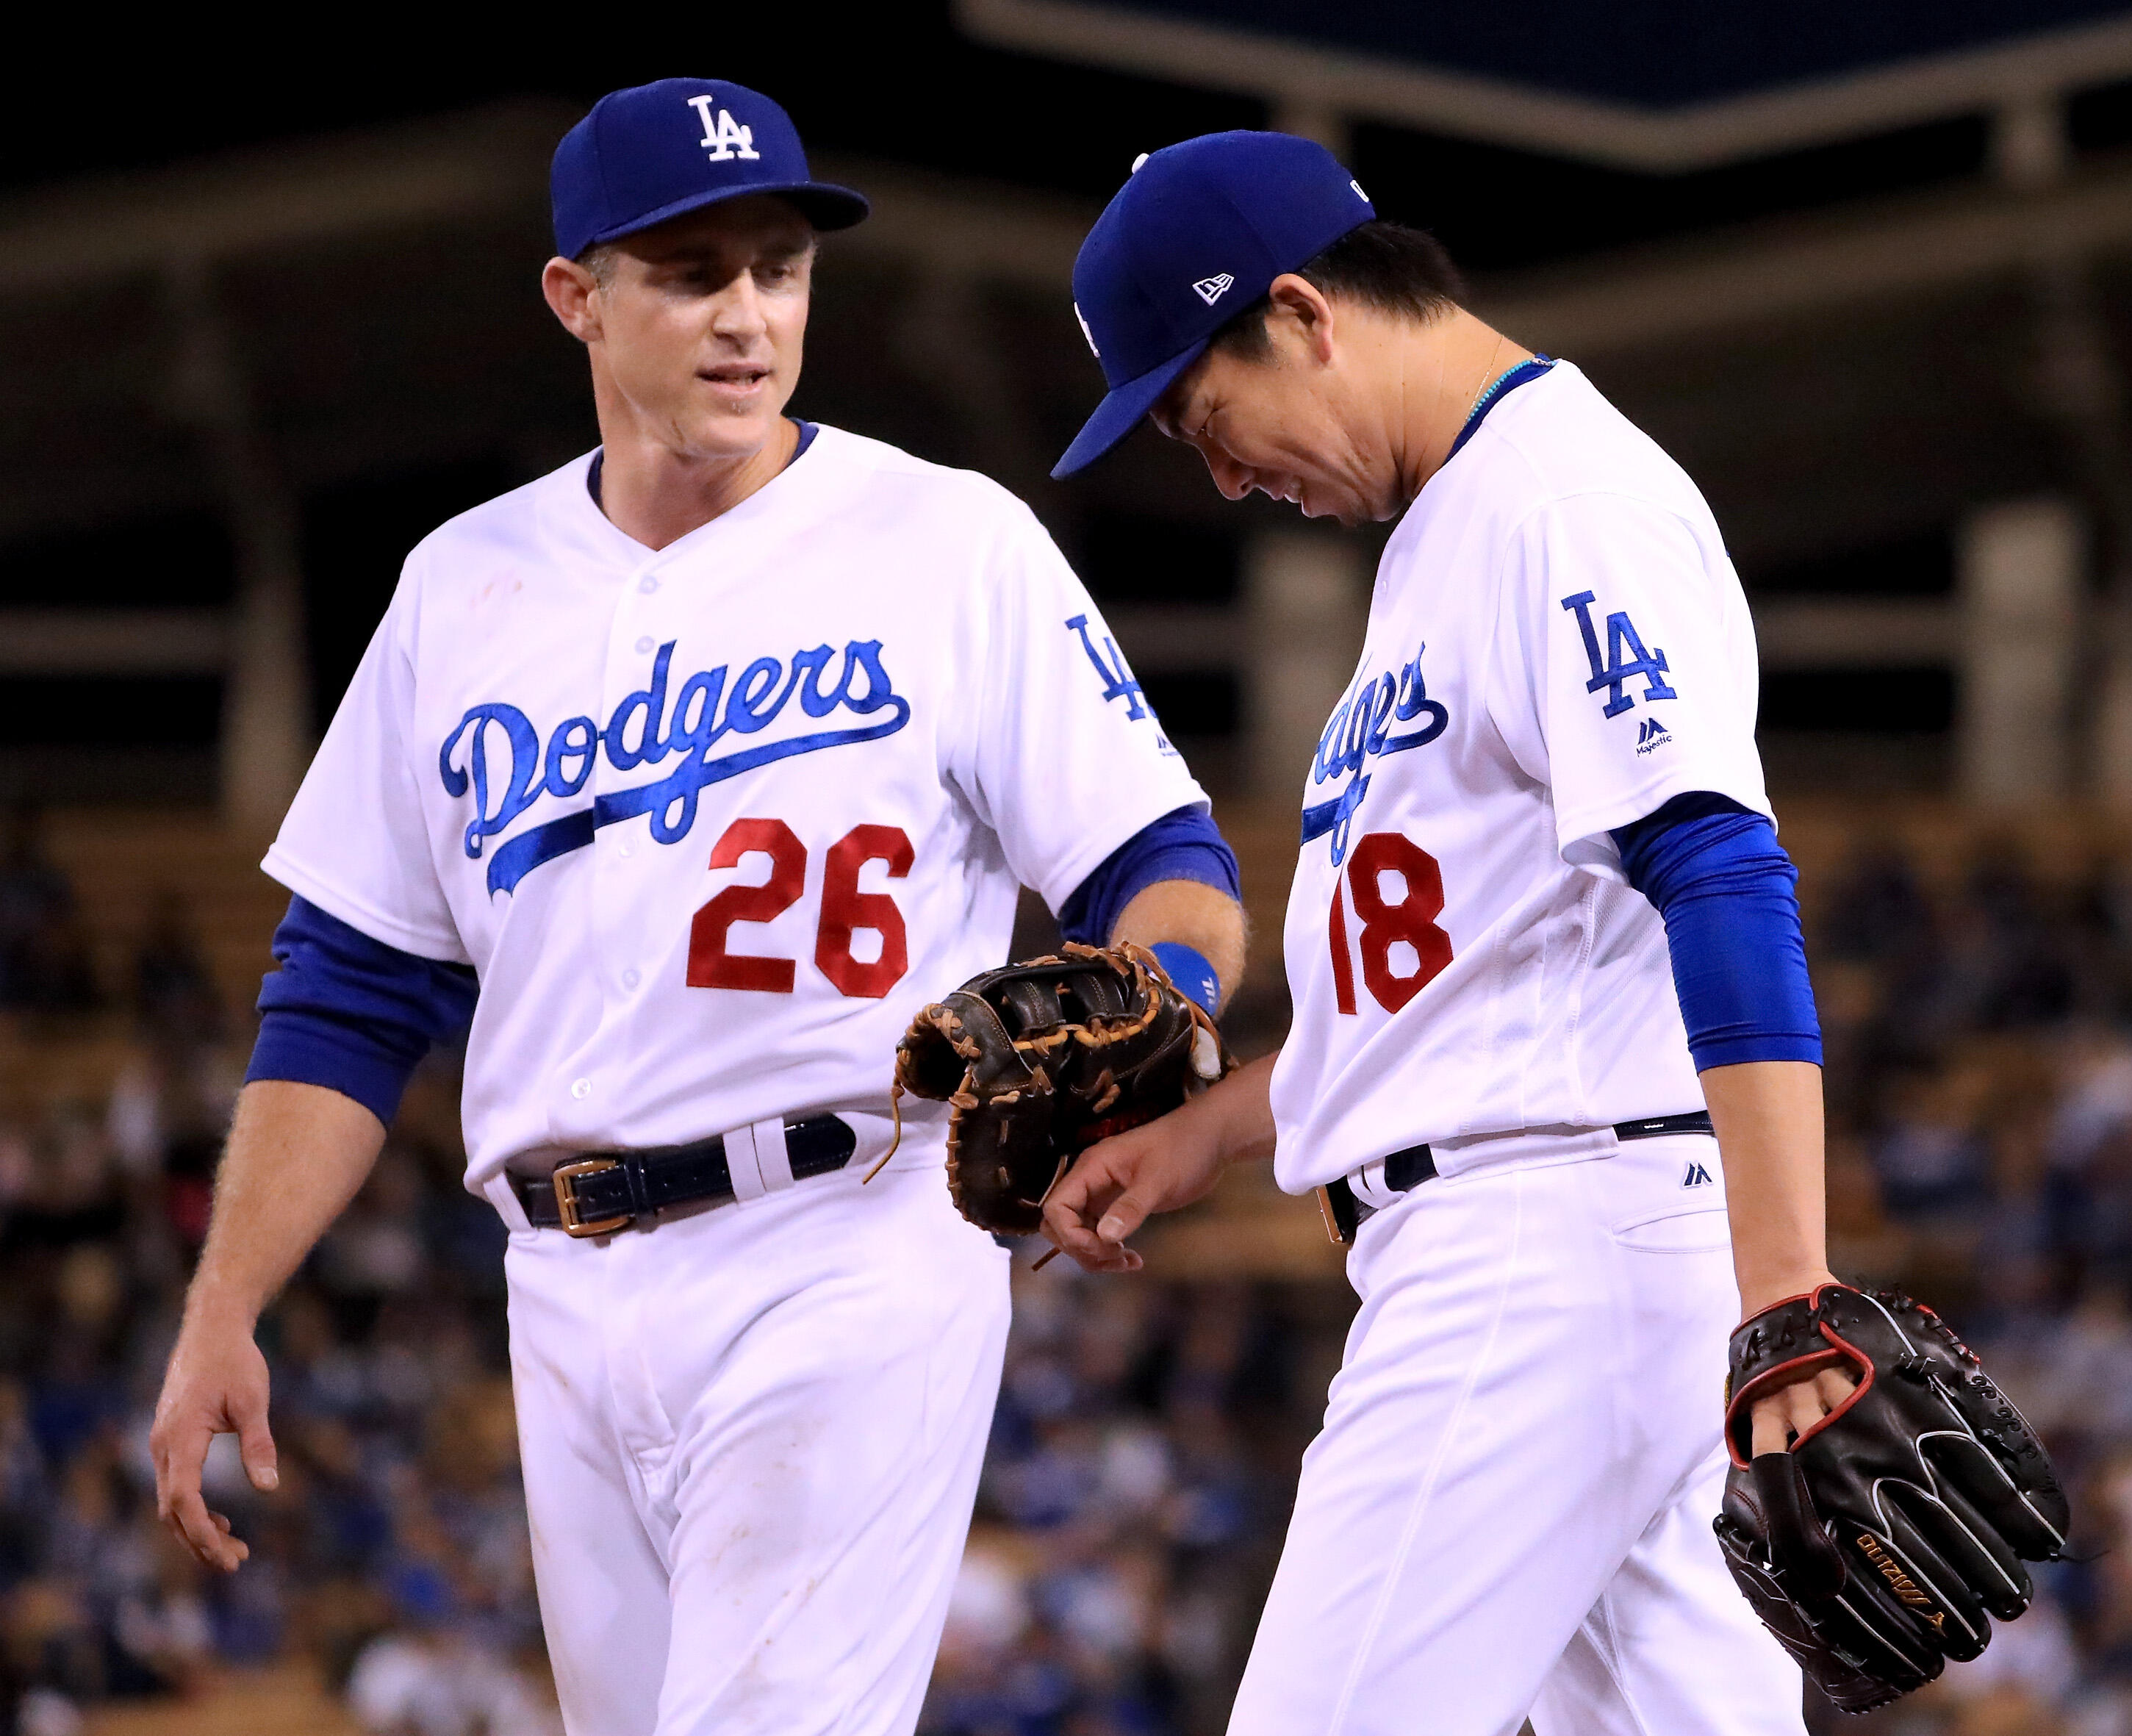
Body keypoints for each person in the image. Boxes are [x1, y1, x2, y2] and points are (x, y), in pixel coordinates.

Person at [148, 79, 1245, 1736]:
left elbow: (1169, 859)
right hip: (566, 1284)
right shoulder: (465, 587)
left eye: (781, 266)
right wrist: (224, 1301)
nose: (748, 314)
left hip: (852, 1228)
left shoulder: (947, 540)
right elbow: (348, 993)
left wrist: (1156, 983)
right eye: (691, 272)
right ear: (577, 297)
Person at [1044, 131, 1847, 1733]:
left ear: (1303, 312)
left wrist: (1793, 1300)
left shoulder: (1565, 502)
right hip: (1565, 1237)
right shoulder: (1451, 533)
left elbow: (1723, 873)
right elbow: (1466, 975)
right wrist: (1208, 1129)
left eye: (1208, 416)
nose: (1221, 476)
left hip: (1542, 1255)